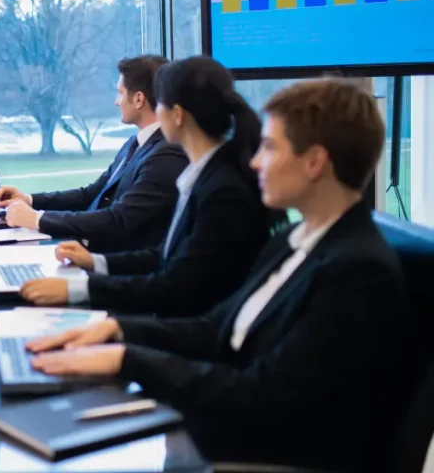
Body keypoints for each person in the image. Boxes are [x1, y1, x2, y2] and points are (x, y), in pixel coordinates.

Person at [25, 79, 406, 471]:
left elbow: (264, 393)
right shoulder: (296, 239)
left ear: (314, 163)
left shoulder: (358, 272)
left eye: (270, 147)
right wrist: (118, 332)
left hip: (265, 454)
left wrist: (129, 361)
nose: (255, 161)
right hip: (230, 429)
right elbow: (216, 328)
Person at [19, 56, 279, 317]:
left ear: (177, 115)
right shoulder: (207, 175)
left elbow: (176, 285)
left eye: (161, 104)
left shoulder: (223, 190)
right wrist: (95, 262)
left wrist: (79, 287)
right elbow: (170, 255)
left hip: (185, 329)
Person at [0, 56, 187, 253]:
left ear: (138, 99)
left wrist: (37, 219)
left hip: (118, 265)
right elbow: (93, 194)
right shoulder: (135, 143)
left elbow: (119, 219)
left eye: (120, 93)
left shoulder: (166, 155)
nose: (116, 102)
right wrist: (30, 200)